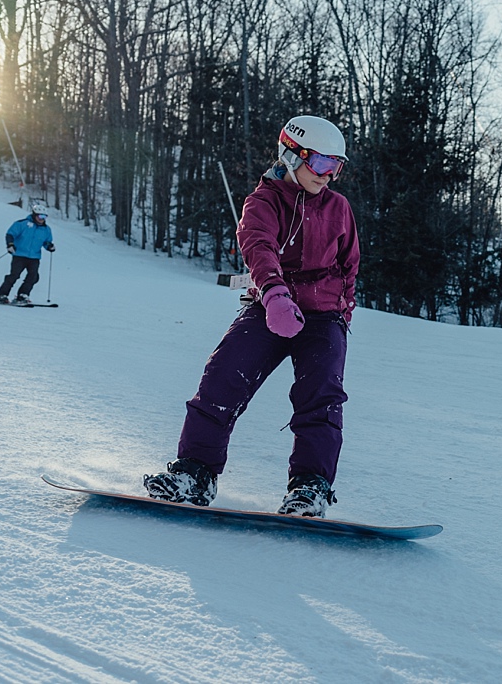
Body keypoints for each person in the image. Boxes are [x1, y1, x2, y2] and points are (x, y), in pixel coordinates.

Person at [144, 115, 360, 517]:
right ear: (292, 155)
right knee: (223, 377)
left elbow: (350, 263)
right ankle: (195, 473)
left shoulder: (338, 207)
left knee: (321, 399)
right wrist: (275, 294)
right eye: (321, 165)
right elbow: (258, 246)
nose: (329, 176)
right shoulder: (264, 201)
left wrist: (342, 312)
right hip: (270, 305)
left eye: (337, 167)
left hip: (323, 315)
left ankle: (309, 488)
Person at [0, 203, 55, 305]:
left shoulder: (46, 229)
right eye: (40, 216)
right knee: (14, 275)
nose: (42, 219)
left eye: (44, 217)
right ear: (34, 215)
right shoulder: (22, 224)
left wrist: (49, 246)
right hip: (19, 255)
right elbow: (10, 234)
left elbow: (46, 241)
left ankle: (22, 295)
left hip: (34, 257)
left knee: (33, 277)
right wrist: (10, 245)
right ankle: (2, 295)